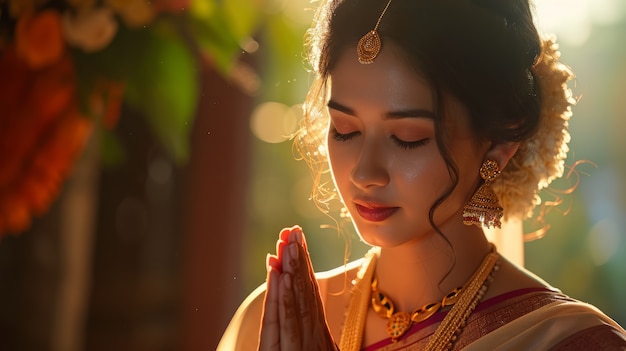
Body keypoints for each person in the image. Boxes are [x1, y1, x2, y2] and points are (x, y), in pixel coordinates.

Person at [218, 0, 626, 349]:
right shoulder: (275, 319)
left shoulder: (565, 340)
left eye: (407, 138)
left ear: (498, 147)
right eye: (345, 130)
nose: (365, 172)